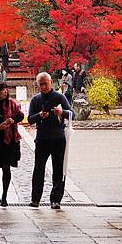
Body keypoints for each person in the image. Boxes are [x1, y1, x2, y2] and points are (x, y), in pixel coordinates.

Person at [28, 72, 74, 209]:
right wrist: (39, 116)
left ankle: (56, 200)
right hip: (42, 139)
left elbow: (72, 114)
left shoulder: (60, 97)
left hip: (58, 138)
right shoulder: (35, 100)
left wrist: (62, 113)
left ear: (50, 82)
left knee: (58, 169)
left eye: (45, 84)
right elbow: (30, 119)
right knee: (38, 169)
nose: (43, 87)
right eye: (40, 84)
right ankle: (35, 199)